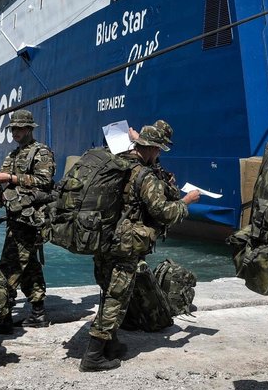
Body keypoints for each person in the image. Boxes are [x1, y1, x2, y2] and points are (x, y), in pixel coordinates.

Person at [80, 125, 200, 372]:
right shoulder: (144, 176)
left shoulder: (116, 163)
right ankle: (93, 356)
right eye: (158, 150)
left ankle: (111, 346)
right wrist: (185, 203)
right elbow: (165, 212)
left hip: (102, 238)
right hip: (125, 244)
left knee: (107, 290)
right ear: (154, 149)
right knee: (117, 297)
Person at [0, 110, 56, 332]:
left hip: (30, 221)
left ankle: (2, 316)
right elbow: (1, 179)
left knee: (9, 267)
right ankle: (38, 313)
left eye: (19, 128)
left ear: (30, 129)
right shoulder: (13, 155)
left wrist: (11, 179)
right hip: (16, 217)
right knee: (29, 267)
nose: (15, 132)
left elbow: (44, 181)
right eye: (13, 129)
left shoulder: (41, 153)